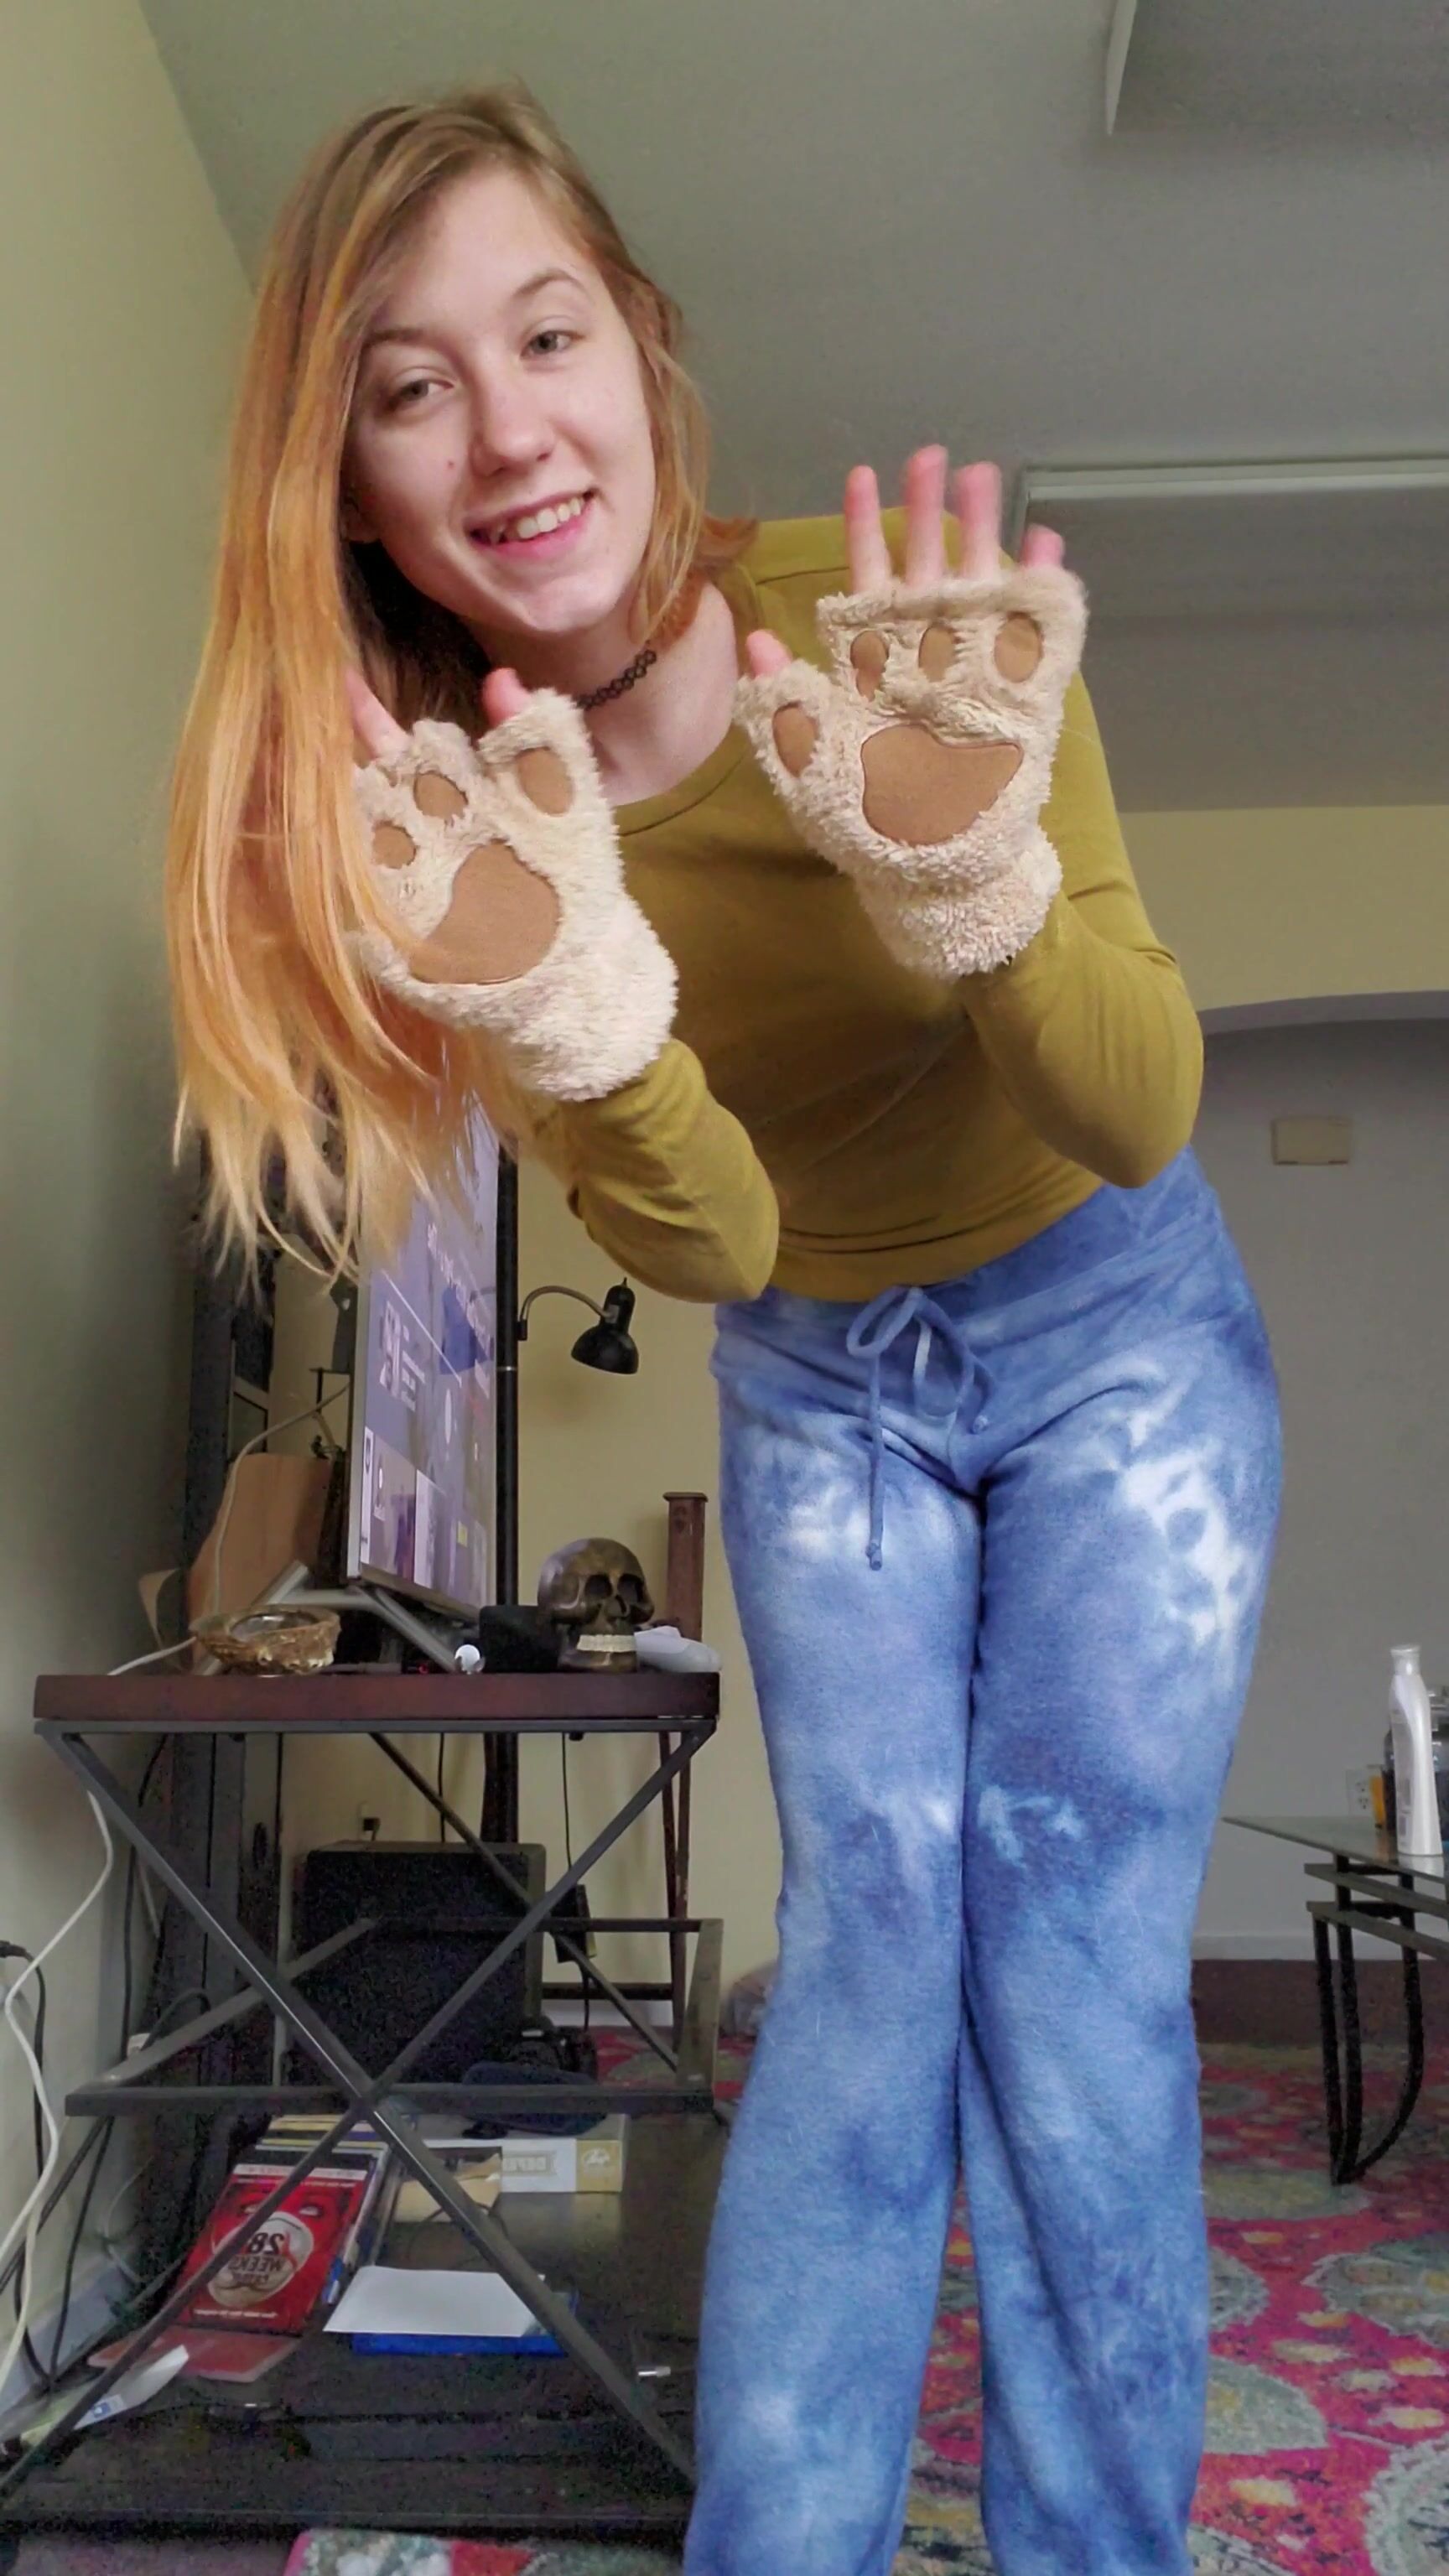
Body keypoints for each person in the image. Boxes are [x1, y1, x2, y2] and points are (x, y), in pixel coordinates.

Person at [166, 83, 1281, 2576]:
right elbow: (726, 1241)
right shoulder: (453, 824)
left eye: (545, 334)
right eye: (410, 383)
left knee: (1077, 1967)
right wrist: (578, 1011)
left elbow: (1135, 1107)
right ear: (350, 488)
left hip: (1116, 1326)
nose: (505, 428)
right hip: (820, 1370)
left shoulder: (912, 639)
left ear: (645, 347)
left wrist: (975, 877)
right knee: (869, 1960)